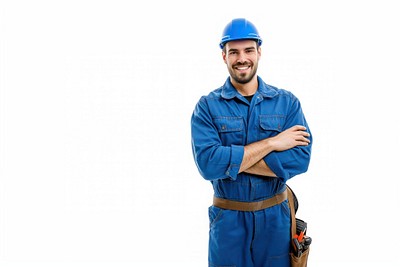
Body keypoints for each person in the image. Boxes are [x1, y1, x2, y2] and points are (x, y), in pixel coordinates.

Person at [190, 18, 313, 267]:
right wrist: (272, 143)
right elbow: (208, 164)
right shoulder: (207, 107)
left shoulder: (287, 103)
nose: (241, 58)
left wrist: (230, 160)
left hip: (276, 222)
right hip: (228, 222)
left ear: (259, 52)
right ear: (223, 56)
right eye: (233, 52)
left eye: (248, 50)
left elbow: (300, 159)